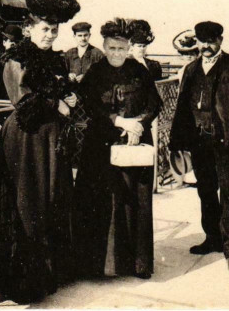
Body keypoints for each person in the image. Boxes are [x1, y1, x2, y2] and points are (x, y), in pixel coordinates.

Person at [0, 0, 81, 304]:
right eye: (44, 30)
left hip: (51, 139)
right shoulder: (18, 57)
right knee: (28, 200)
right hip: (27, 137)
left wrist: (70, 97)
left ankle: (51, 273)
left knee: (52, 197)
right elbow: (22, 102)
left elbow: (60, 88)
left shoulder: (54, 57)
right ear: (29, 30)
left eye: (53, 30)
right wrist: (59, 105)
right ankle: (23, 281)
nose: (49, 35)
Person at [73, 18, 162, 280]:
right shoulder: (95, 71)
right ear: (104, 46)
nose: (116, 54)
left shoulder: (140, 71)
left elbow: (154, 103)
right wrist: (117, 121)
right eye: (111, 48)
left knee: (135, 202)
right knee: (102, 201)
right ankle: (97, 267)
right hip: (101, 144)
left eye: (121, 49)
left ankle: (137, 264)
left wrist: (138, 124)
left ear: (128, 48)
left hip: (133, 143)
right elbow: (90, 105)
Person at [169, 21, 229, 274]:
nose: (206, 46)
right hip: (200, 142)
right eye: (202, 41)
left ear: (220, 40)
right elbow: (181, 108)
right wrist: (177, 143)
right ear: (196, 42)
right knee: (206, 192)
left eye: (212, 41)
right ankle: (212, 239)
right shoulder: (191, 69)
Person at [0, 24, 24, 99]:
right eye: (12, 43)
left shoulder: (23, 62)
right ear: (4, 42)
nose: (14, 47)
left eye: (16, 44)